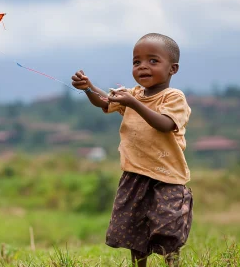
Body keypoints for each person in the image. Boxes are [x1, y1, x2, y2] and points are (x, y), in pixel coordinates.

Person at [71, 33, 193, 267]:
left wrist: (133, 104)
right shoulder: (133, 94)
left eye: (153, 61)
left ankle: (172, 264)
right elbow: (105, 102)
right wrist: (88, 88)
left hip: (167, 177)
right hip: (134, 175)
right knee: (134, 230)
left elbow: (165, 124)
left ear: (173, 69)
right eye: (137, 62)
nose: (143, 67)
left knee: (168, 229)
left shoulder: (173, 97)